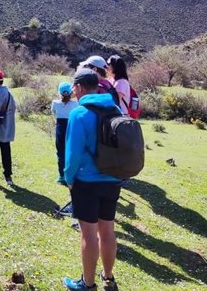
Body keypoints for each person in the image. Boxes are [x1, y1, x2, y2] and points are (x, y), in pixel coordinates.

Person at [62, 68, 121, 291]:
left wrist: (69, 179)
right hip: (112, 179)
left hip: (87, 182)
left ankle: (87, 283)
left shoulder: (79, 113)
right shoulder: (113, 108)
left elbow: (73, 155)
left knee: (88, 233)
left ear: (78, 87)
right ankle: (108, 277)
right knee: (107, 231)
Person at [52, 81, 78, 185]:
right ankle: (70, 175)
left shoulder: (55, 103)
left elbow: (54, 112)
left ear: (59, 92)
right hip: (71, 128)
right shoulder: (75, 104)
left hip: (60, 128)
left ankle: (61, 176)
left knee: (60, 152)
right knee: (70, 152)